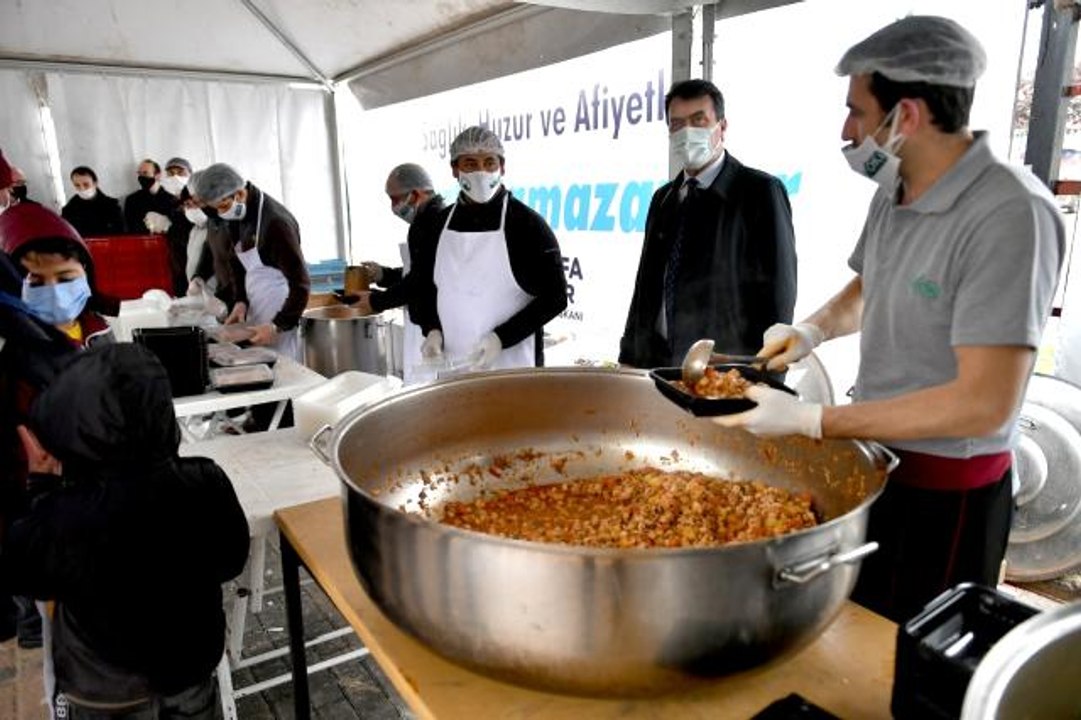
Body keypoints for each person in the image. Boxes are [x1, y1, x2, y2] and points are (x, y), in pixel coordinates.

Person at [716, 16, 1065, 624]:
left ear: (905, 117)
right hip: (877, 464)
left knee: (916, 647)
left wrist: (811, 419)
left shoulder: (1012, 214)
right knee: (859, 628)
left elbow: (983, 403)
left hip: (950, 491)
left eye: (856, 111)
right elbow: (870, 285)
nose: (846, 130)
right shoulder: (895, 187)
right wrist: (812, 330)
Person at [0, 343, 249, 719]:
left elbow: (23, 572)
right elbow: (231, 559)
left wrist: (41, 487)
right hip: (191, 676)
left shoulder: (65, 515)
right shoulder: (204, 480)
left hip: (107, 695)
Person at [619, 79, 797, 369]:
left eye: (698, 120)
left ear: (722, 127)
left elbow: (778, 299)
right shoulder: (663, 199)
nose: (687, 132)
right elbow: (645, 287)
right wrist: (629, 357)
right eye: (677, 124)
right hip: (658, 366)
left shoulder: (759, 192)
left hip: (724, 373)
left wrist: (766, 378)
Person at [415, 126, 567, 370]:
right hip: (453, 366)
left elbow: (556, 297)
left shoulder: (527, 225)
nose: (481, 172)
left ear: (502, 167)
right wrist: (432, 330)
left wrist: (501, 338)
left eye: (489, 163)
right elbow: (423, 287)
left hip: (512, 367)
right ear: (454, 169)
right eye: (470, 164)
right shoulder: (437, 226)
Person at [189, 163, 309, 360]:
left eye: (223, 206)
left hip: (281, 306)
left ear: (240, 194)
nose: (221, 213)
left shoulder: (276, 224)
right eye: (216, 209)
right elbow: (235, 260)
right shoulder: (237, 214)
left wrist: (277, 325)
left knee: (284, 365)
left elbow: (301, 284)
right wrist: (241, 301)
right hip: (256, 302)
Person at [353, 163, 446, 383]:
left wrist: (377, 301)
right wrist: (383, 275)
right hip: (423, 323)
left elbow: (421, 279)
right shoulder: (422, 221)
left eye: (395, 199)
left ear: (415, 194)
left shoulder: (435, 221)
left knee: (430, 385)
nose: (393, 207)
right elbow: (413, 272)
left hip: (436, 325)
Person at [0, 202, 118, 347]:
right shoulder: (16, 348)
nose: (54, 292)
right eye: (36, 282)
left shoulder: (101, 330)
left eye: (65, 279)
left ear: (86, 272)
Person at [161, 157, 196, 294]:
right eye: (171, 173)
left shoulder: (198, 196)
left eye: (180, 172)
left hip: (198, 249)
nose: (175, 176)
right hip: (176, 252)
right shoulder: (165, 198)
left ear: (190, 174)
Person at [60, 166, 124, 238]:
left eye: (86, 184)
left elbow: (120, 234)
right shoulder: (69, 210)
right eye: (77, 185)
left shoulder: (112, 205)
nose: (82, 189)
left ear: (95, 183)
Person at [123, 158, 176, 235]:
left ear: (157, 175)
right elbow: (131, 229)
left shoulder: (172, 200)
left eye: (145, 173)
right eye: (139, 174)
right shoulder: (132, 200)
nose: (141, 177)